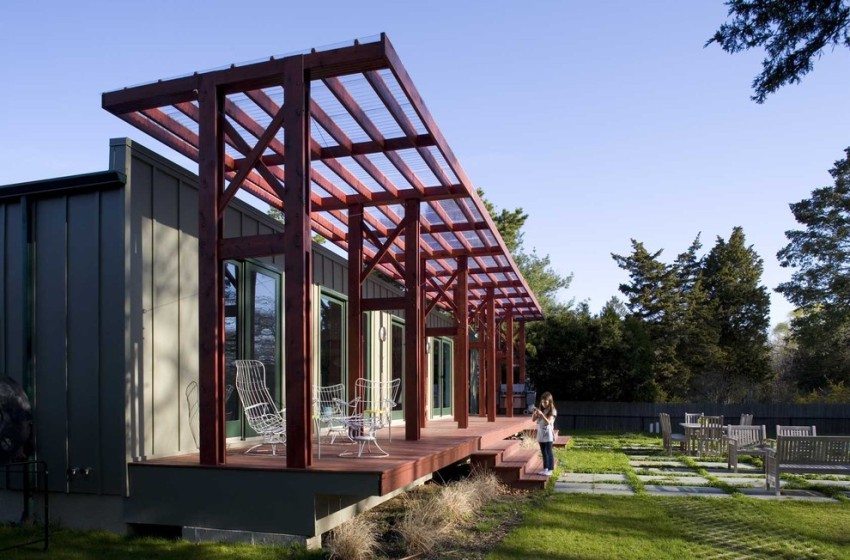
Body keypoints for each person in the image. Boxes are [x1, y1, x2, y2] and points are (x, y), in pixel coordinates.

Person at [532, 392, 557, 476]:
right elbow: (533, 420)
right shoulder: (542, 409)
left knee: (548, 451)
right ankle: (545, 468)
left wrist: (542, 415)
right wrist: (535, 413)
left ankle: (550, 469)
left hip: (548, 433)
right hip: (541, 433)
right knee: (543, 452)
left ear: (550, 402)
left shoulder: (552, 410)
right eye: (542, 402)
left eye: (545, 402)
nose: (543, 404)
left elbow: (548, 422)